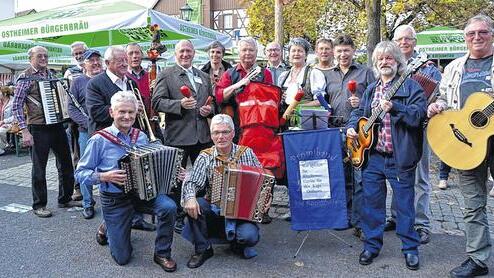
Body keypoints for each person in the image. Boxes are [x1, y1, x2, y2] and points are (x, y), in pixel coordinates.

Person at [75, 91, 178, 272]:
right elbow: (80, 173)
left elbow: (151, 164)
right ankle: (107, 225)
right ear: (111, 113)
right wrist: (103, 176)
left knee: (168, 207)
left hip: (142, 195)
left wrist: (174, 170)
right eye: (121, 112)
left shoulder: (141, 136)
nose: (127, 116)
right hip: (115, 200)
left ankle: (162, 253)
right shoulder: (99, 140)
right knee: (122, 258)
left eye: (131, 112)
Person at [346, 41, 426, 270]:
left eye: (389, 58)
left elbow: (418, 117)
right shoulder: (371, 89)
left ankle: (410, 248)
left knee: (404, 207)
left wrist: (395, 108)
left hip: (400, 157)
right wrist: (352, 127)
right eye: (380, 59)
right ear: (375, 64)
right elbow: (359, 113)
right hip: (373, 157)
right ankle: (371, 246)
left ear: (398, 62)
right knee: (372, 205)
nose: (384, 62)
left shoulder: (411, 87)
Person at [428, 14, 493, 278]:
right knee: (472, 204)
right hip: (467, 143)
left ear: (492, 34)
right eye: (471, 34)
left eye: (483, 32)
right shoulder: (455, 66)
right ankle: (478, 259)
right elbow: (444, 96)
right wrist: (438, 105)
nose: (476, 37)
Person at [382, 24, 442, 245]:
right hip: (395, 129)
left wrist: (431, 106)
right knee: (398, 174)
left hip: (420, 127)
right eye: (399, 39)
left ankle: (421, 224)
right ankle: (397, 217)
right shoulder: (392, 65)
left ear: (414, 42)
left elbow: (437, 97)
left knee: (421, 178)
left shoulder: (428, 68)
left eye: (408, 39)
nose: (403, 43)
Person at [181, 114, 266, 268]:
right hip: (214, 210)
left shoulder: (246, 153)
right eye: (216, 133)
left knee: (249, 237)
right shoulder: (205, 156)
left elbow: (262, 181)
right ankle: (203, 249)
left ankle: (236, 242)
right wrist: (190, 197)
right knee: (195, 203)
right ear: (211, 135)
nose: (221, 137)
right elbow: (192, 182)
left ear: (233, 133)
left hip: (240, 214)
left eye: (225, 132)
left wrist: (264, 201)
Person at [86, 45, 155, 231]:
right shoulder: (95, 83)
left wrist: (138, 108)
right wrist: (124, 111)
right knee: (116, 186)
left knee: (135, 181)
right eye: (120, 61)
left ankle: (136, 219)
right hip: (108, 141)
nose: (125, 63)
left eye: (125, 59)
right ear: (107, 63)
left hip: (131, 139)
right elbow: (95, 113)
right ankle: (107, 226)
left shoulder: (131, 81)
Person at [152, 40, 215, 233]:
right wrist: (179, 104)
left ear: (194, 53)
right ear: (175, 54)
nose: (185, 54)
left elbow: (212, 103)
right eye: (182, 51)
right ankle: (178, 215)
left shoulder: (203, 76)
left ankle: (199, 211)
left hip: (202, 136)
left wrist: (209, 109)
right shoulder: (167, 74)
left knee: (205, 176)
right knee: (176, 179)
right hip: (178, 137)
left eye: (188, 51)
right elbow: (156, 102)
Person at [12, 46, 80, 218]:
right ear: (31, 58)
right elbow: (16, 106)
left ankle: (64, 198)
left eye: (46, 56)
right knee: (39, 168)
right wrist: (24, 131)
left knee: (65, 163)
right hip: (38, 128)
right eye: (39, 56)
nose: (43, 58)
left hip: (57, 125)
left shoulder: (51, 74)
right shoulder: (25, 78)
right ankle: (39, 204)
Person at [325, 34, 375, 239]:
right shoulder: (328, 75)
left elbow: (376, 100)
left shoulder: (366, 73)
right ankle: (344, 216)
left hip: (360, 132)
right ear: (334, 53)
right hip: (336, 130)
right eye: (339, 51)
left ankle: (361, 221)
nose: (343, 54)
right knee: (341, 176)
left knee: (360, 178)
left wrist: (362, 101)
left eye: (346, 50)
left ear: (353, 51)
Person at [215, 37, 273, 143]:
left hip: (258, 127)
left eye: (251, 50)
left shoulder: (266, 73)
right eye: (244, 50)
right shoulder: (229, 73)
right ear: (239, 52)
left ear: (256, 52)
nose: (248, 53)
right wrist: (237, 85)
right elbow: (219, 96)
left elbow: (270, 100)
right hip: (235, 127)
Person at [68, 49, 103, 219]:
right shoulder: (78, 81)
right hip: (85, 131)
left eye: (98, 59)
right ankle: (88, 203)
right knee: (86, 167)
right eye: (91, 60)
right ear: (84, 63)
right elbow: (72, 108)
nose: (95, 63)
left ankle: (111, 201)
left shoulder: (107, 79)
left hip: (105, 130)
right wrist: (86, 123)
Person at [278, 37, 327, 124]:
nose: (296, 54)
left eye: (300, 51)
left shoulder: (314, 73)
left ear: (306, 54)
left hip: (305, 121)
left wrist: (298, 106)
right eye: (293, 51)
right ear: (289, 54)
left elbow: (320, 101)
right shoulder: (283, 76)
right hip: (284, 122)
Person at [125, 42, 164, 142]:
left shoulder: (151, 76)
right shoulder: (123, 78)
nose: (135, 56)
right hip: (132, 125)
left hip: (152, 123)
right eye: (131, 53)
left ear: (142, 55)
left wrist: (158, 89)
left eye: (137, 53)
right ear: (125, 57)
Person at [0, 85, 15, 155]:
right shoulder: (1, 102)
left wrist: (4, 122)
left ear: (5, 94)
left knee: (0, 131)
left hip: (11, 123)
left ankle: (2, 147)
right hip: (2, 122)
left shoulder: (13, 102)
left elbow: (15, 117)